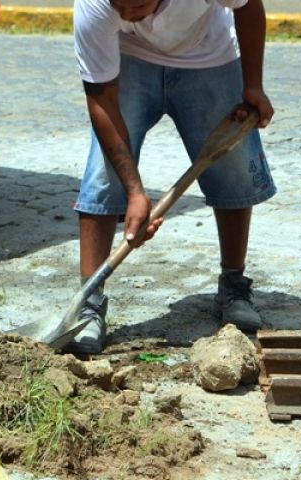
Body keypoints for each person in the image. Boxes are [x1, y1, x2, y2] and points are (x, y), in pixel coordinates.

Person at [67, 0, 276, 354]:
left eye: (137, 5)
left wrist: (252, 85)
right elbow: (101, 99)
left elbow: (248, 5)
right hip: (129, 57)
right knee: (104, 172)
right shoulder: (96, 4)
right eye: (121, 5)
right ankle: (88, 302)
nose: (129, 14)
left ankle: (234, 284)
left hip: (208, 56)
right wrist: (135, 191)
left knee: (233, 168)